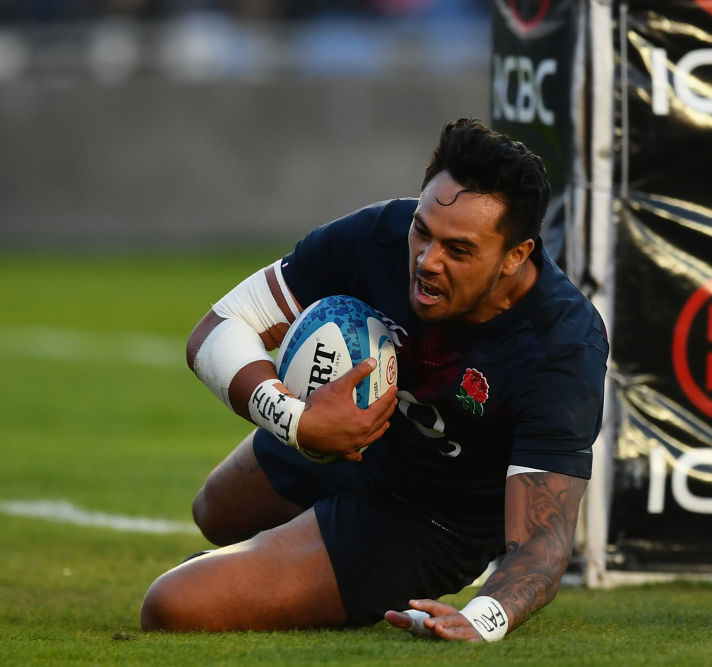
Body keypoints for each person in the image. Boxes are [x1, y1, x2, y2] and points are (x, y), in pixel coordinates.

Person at [139, 118, 609, 642]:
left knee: (171, 605)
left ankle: (313, 568)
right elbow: (216, 330)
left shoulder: (563, 344)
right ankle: (277, 559)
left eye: (459, 250)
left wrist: (483, 617)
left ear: (516, 255)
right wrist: (298, 422)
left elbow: (544, 540)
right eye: (423, 232)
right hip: (344, 440)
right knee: (216, 511)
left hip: (424, 522)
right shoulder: (381, 234)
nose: (428, 262)